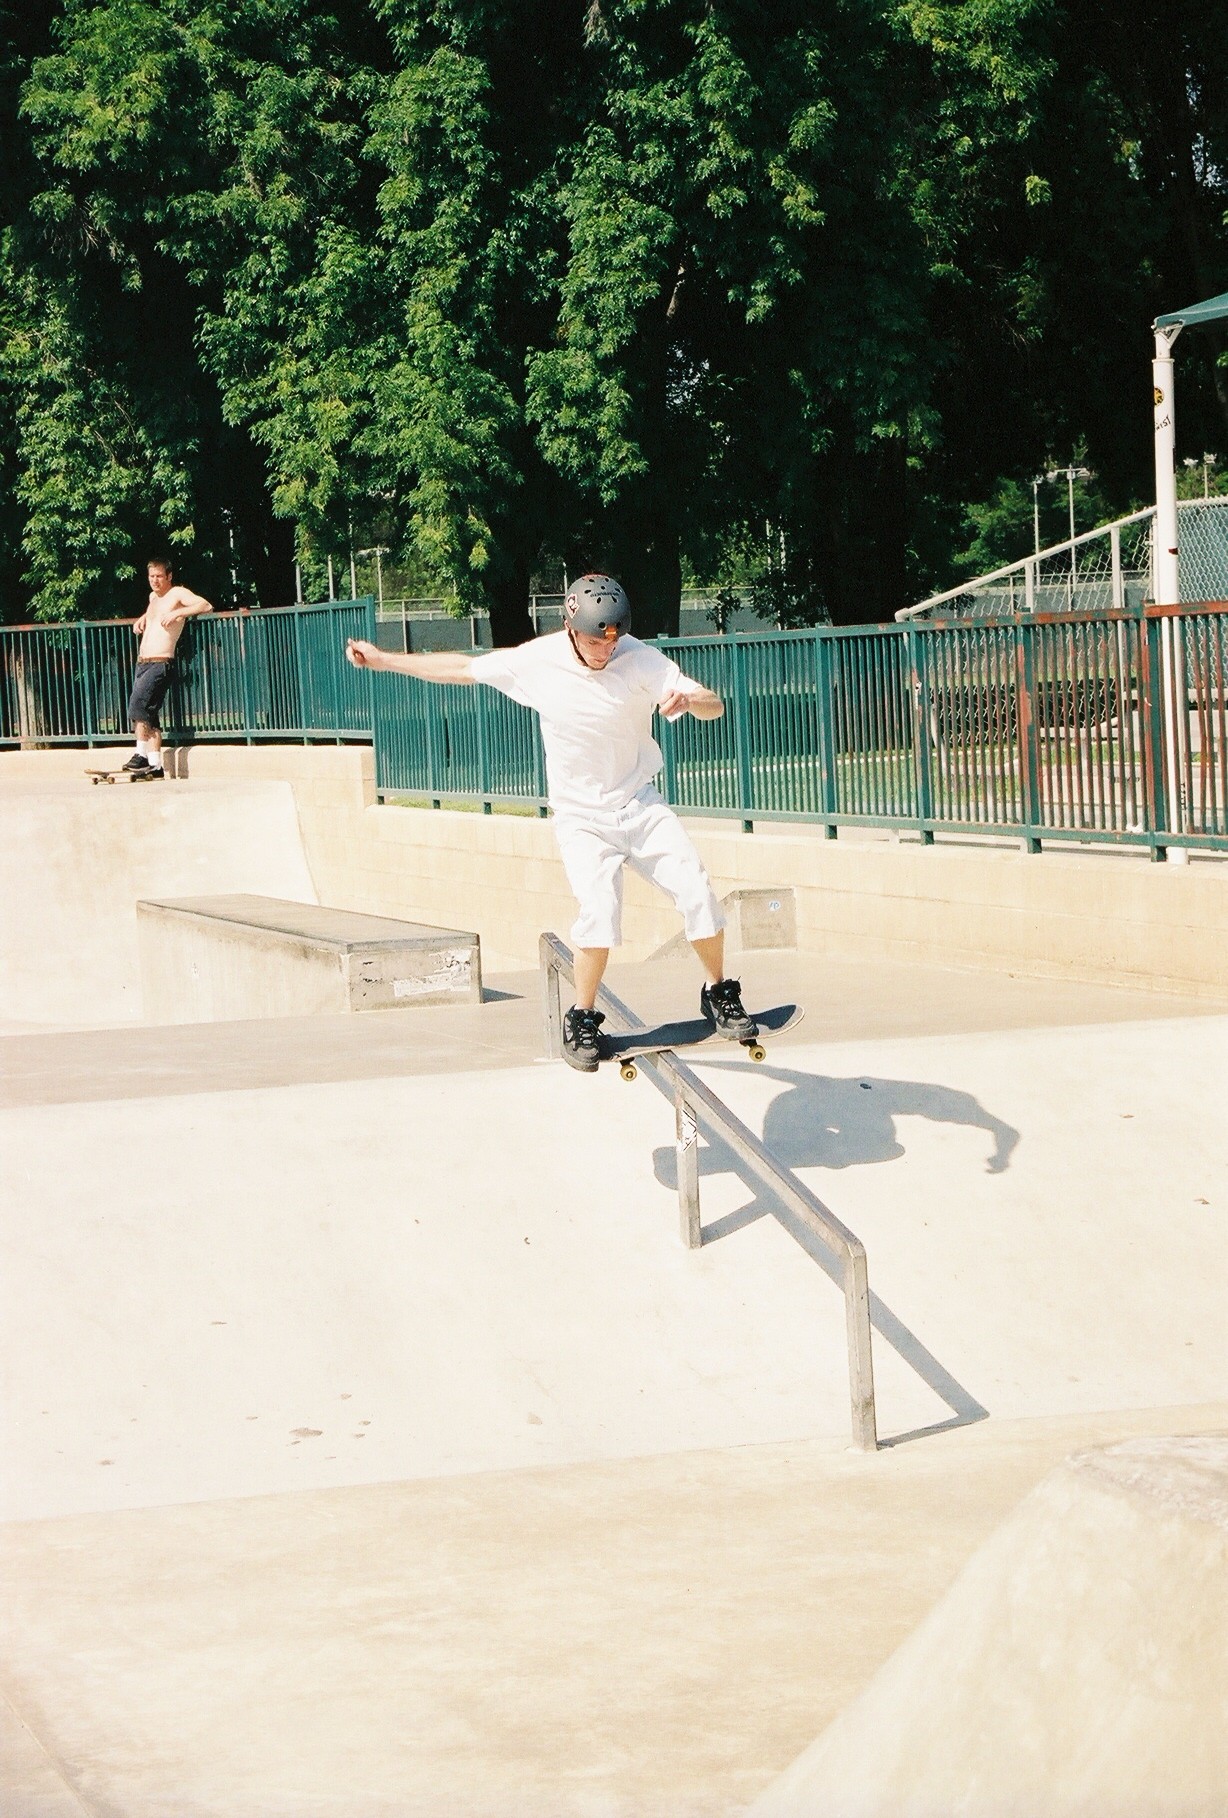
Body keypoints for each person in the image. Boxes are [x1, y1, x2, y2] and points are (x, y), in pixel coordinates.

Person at [345, 572, 757, 1072]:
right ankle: (582, 1018)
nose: (605, 652)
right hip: (581, 819)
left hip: (640, 804)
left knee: (698, 892)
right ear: (570, 628)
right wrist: (386, 660)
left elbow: (713, 704)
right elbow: (460, 667)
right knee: (600, 913)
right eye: (593, 641)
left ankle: (717, 992)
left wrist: (692, 702)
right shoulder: (537, 661)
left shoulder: (640, 657)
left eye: (612, 640)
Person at [123, 557, 213, 775]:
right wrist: (142, 619)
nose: (155, 580)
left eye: (159, 576)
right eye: (151, 576)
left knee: (137, 705)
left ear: (169, 576)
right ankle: (156, 765)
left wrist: (178, 612)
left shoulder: (177, 594)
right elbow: (155, 615)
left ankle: (141, 755)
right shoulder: (153, 597)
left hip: (160, 662)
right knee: (150, 717)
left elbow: (206, 605)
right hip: (144, 662)